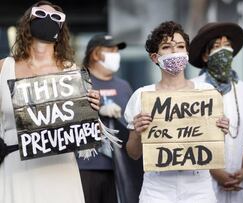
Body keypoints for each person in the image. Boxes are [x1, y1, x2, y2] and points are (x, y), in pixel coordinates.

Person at [0, 1, 100, 203]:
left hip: (59, 167)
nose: (48, 20)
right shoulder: (3, 67)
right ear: (28, 21)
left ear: (61, 28)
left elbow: (82, 128)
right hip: (16, 165)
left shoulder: (72, 71)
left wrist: (92, 109)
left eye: (56, 17)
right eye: (40, 14)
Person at [124, 21, 230, 203]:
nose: (175, 52)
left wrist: (222, 129)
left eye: (180, 46)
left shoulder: (206, 93)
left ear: (187, 54)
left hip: (199, 187)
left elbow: (212, 143)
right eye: (167, 47)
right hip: (157, 188)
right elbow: (133, 153)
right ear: (155, 57)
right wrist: (137, 133)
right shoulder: (142, 96)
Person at [189, 22, 243, 203]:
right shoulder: (192, 89)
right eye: (216, 46)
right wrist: (216, 172)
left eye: (227, 46)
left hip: (240, 183)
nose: (224, 50)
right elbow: (188, 137)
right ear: (205, 55)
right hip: (203, 183)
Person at [77, 34, 143, 203]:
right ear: (95, 54)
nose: (116, 54)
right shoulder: (78, 81)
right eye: (110, 50)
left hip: (119, 167)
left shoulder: (123, 85)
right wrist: (97, 111)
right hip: (85, 166)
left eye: (116, 51)